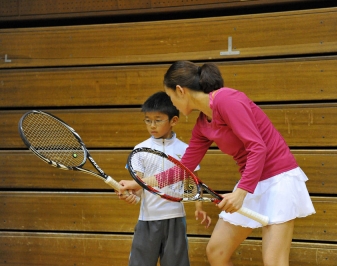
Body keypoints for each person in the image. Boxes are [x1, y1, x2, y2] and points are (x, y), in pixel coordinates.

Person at [120, 61, 315, 266]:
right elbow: (182, 170)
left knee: (274, 261)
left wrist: (241, 192)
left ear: (180, 91)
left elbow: (258, 147)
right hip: (252, 182)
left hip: (279, 179)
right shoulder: (203, 124)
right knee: (216, 252)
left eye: (171, 98)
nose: (173, 104)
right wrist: (139, 183)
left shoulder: (227, 100)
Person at [118, 91, 211, 266]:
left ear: (173, 121)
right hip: (147, 220)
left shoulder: (185, 150)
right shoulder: (140, 149)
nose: (152, 125)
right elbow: (138, 186)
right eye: (148, 120)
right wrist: (132, 196)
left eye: (158, 120)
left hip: (175, 219)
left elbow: (192, 183)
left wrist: (199, 206)